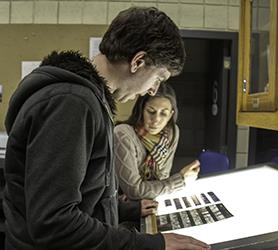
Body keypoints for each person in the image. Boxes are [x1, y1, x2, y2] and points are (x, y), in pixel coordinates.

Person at [3, 6, 210, 250]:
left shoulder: (84, 99)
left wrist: (127, 209)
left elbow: (83, 196)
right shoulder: (72, 103)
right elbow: (54, 223)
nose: (153, 90)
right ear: (138, 61)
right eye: (158, 78)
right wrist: (152, 244)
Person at [114, 84, 200, 200]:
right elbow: (134, 191)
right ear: (142, 109)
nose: (156, 120)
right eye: (151, 111)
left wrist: (162, 188)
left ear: (171, 115)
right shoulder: (123, 134)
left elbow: (163, 177)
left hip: (150, 202)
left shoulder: (172, 133)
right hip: (123, 207)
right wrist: (181, 180)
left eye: (163, 113)